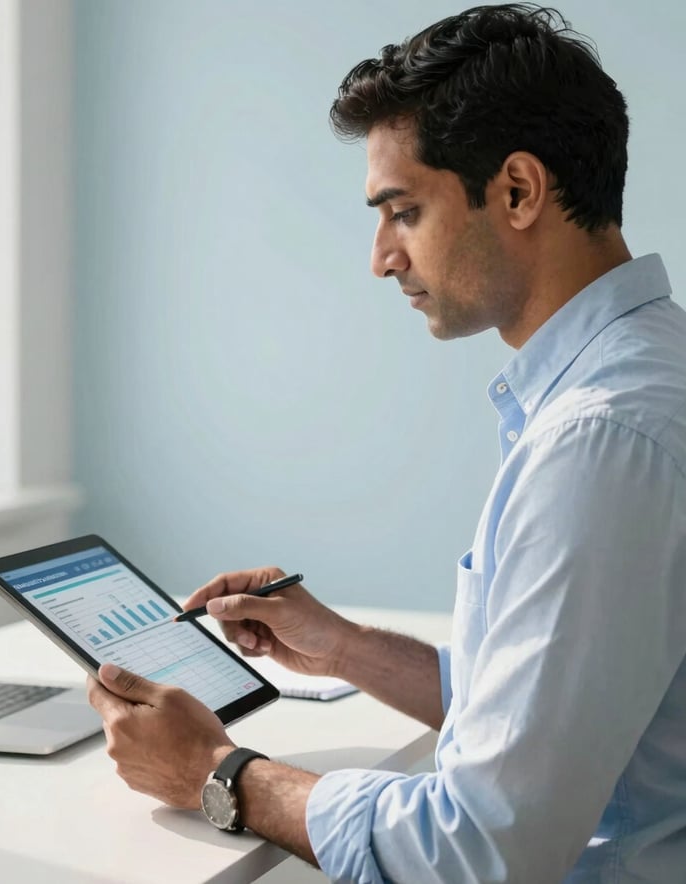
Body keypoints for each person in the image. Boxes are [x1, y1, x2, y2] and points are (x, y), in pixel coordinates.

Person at [86, 4, 686, 881]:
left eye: (402, 211)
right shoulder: (645, 372)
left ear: (518, 190)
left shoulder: (600, 439)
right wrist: (343, 649)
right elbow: (561, 714)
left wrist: (216, 774)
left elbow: (480, 846)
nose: (381, 257)